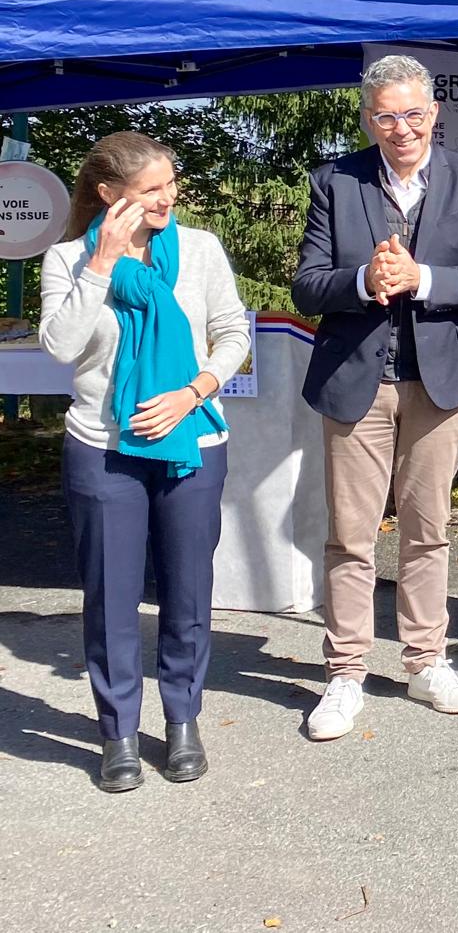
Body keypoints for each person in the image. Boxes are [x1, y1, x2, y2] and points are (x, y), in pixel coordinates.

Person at [292, 54, 458, 740]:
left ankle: (426, 660)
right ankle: (345, 673)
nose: (402, 128)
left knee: (428, 528)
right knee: (351, 536)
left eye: (413, 114)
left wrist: (420, 279)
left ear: (434, 115)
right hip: (358, 380)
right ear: (369, 118)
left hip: (440, 384)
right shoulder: (336, 179)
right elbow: (307, 284)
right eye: (387, 115)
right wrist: (363, 279)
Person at [40, 131, 250, 791]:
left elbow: (232, 334)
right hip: (102, 448)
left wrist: (191, 393)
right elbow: (59, 346)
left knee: (188, 590)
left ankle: (183, 718)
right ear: (108, 194)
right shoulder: (69, 257)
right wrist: (100, 265)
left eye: (171, 183)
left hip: (191, 442)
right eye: (151, 188)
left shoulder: (198, 250)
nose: (168, 197)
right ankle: (118, 731)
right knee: (110, 597)